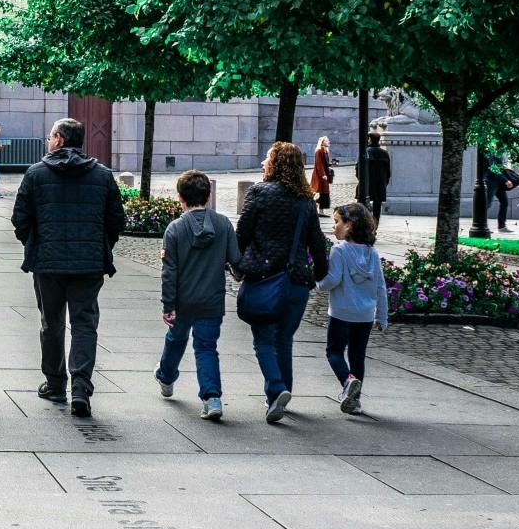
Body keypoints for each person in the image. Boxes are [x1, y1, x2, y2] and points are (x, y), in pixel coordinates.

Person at [12, 117, 126, 417]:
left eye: (51, 136)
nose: (48, 141)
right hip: (88, 266)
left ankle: (54, 383)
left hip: (47, 264)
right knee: (85, 324)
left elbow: (20, 220)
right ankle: (80, 388)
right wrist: (100, 246)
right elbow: (117, 220)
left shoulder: (35, 173)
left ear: (60, 139)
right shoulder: (102, 174)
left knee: (52, 323)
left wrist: (34, 243)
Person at [235, 141, 331, 423]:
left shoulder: (259, 193)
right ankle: (281, 397)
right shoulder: (305, 201)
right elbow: (317, 242)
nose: (264, 162)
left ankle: (276, 390)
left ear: (276, 164)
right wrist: (317, 275)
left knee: (263, 340)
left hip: (264, 279)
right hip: (296, 282)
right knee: (284, 340)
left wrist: (236, 266)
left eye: (267, 158)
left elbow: (241, 236)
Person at [156, 170, 240, 419]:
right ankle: (212, 398)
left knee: (176, 339)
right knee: (206, 348)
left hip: (183, 301)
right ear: (208, 194)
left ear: (180, 197)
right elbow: (236, 261)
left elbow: (169, 272)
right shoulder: (223, 224)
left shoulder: (175, 229)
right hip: (212, 300)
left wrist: (168, 305)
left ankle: (166, 377)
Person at [313, 202, 387, 415]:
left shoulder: (340, 250)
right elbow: (380, 287)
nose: (333, 226)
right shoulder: (372, 253)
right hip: (364, 315)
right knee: (357, 356)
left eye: (337, 222)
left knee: (334, 351)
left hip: (341, 312)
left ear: (350, 225)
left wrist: (317, 285)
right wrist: (382, 316)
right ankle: (355, 401)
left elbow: (333, 279)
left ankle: (347, 381)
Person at [361, 131, 392, 221]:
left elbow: (358, 168)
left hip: (368, 183)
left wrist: (361, 180)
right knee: (377, 206)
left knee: (363, 204)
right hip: (380, 184)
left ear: (370, 140)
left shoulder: (366, 151)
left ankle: (366, 223)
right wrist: (385, 182)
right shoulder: (384, 153)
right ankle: (375, 224)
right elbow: (388, 171)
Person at [312, 136, 334, 213]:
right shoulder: (319, 151)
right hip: (319, 175)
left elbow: (325, 163)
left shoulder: (326, 151)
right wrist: (323, 174)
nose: (329, 142)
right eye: (327, 141)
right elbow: (319, 164)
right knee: (316, 190)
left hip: (324, 175)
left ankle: (320, 210)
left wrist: (330, 164)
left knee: (324, 192)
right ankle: (309, 202)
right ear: (322, 142)